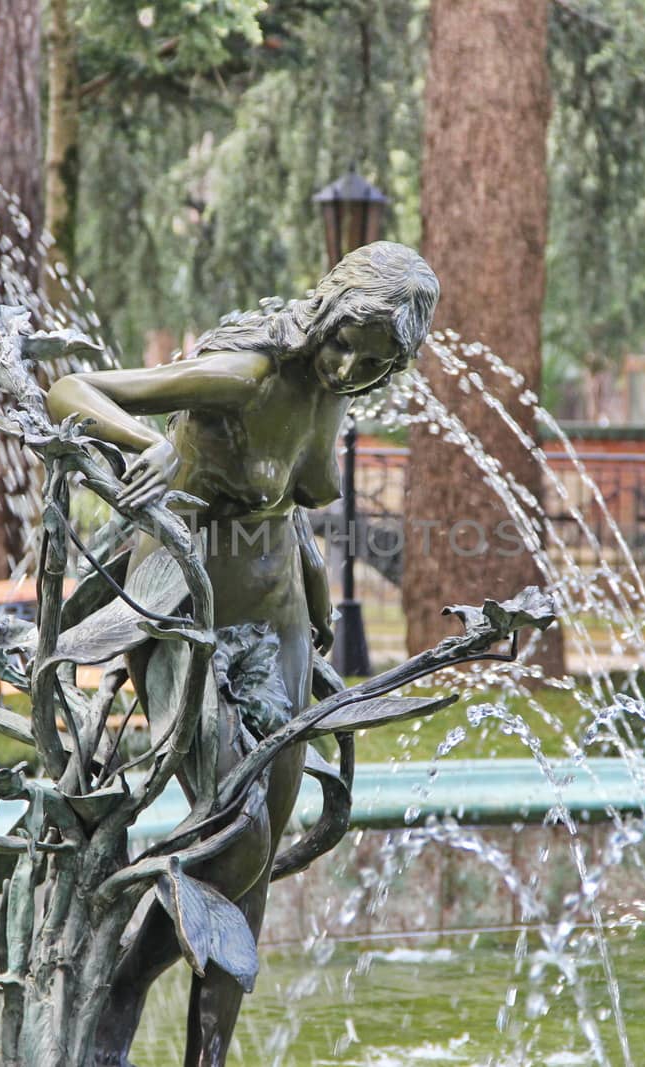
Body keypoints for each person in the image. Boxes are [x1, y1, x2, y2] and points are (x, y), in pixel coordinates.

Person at [45, 240, 439, 1066]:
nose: (345, 368)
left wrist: (320, 591)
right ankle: (121, 983)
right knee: (238, 831)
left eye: (370, 364)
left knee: (252, 865)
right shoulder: (244, 374)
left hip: (283, 621)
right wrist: (140, 444)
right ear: (327, 312)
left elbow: (295, 504)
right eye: (342, 343)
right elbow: (69, 390)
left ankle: (208, 1057)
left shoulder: (341, 388)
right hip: (186, 611)